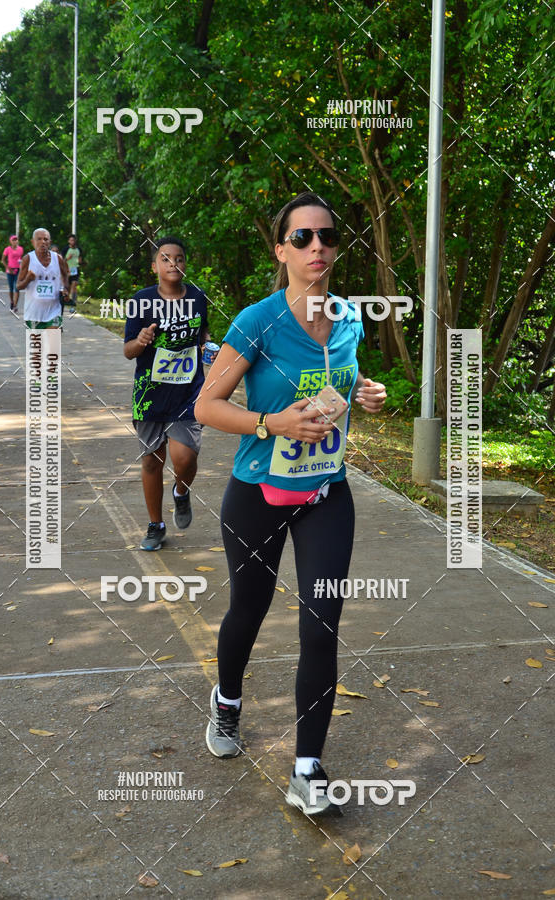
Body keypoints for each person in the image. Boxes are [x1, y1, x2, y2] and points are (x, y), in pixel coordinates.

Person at [194, 192, 387, 816]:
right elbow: (206, 405)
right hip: (258, 493)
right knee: (248, 609)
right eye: (302, 238)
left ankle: (307, 770)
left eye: (327, 236)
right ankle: (227, 701)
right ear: (281, 250)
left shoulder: (349, 317)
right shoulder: (258, 321)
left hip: (326, 491)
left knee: (321, 623)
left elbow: (342, 382)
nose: (317, 247)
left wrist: (367, 393)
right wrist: (271, 423)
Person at [123, 235, 216, 551]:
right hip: (150, 395)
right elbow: (128, 351)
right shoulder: (141, 301)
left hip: (188, 393)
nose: (173, 263)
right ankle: (155, 525)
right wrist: (141, 340)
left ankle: (181, 491)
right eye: (165, 258)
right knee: (152, 461)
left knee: (184, 456)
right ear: (154, 266)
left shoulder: (198, 297)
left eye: (179, 258)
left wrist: (207, 346)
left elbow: (202, 333)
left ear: (185, 264)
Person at [16, 228, 69, 328]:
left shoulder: (58, 258)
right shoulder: (28, 259)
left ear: (50, 242)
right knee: (38, 339)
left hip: (54, 311)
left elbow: (65, 275)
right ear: (33, 242)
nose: (42, 242)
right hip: (33, 314)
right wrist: (28, 279)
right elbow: (18, 286)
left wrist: (65, 289)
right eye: (39, 239)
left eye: (45, 239)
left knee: (53, 338)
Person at [1, 235, 24, 311]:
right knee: (11, 288)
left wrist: (22, 267)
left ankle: (15, 305)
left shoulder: (21, 249)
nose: (15, 241)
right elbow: (3, 260)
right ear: (10, 241)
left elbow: (22, 259)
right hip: (10, 270)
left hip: (18, 270)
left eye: (16, 240)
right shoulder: (7, 249)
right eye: (13, 240)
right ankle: (12, 301)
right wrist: (8, 268)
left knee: (17, 287)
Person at [65, 234, 82, 309]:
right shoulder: (66, 249)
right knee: (68, 286)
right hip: (67, 269)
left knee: (74, 284)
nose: (72, 241)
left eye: (74, 240)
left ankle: (74, 301)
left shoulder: (79, 249)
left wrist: (80, 261)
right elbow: (62, 260)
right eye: (71, 240)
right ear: (69, 241)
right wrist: (67, 258)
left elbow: (80, 259)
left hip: (76, 269)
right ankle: (67, 299)